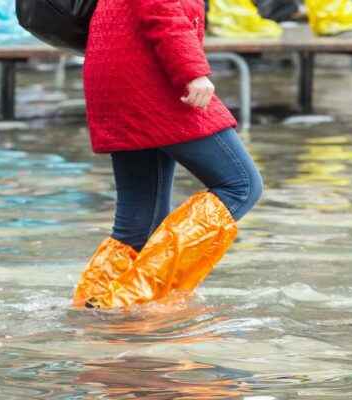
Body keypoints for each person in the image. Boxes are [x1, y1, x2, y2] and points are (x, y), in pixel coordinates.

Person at [72, 0, 264, 309]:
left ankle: (94, 303)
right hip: (151, 79)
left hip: (121, 73)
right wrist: (192, 71)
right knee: (241, 185)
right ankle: (132, 300)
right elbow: (161, 8)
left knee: (140, 220)